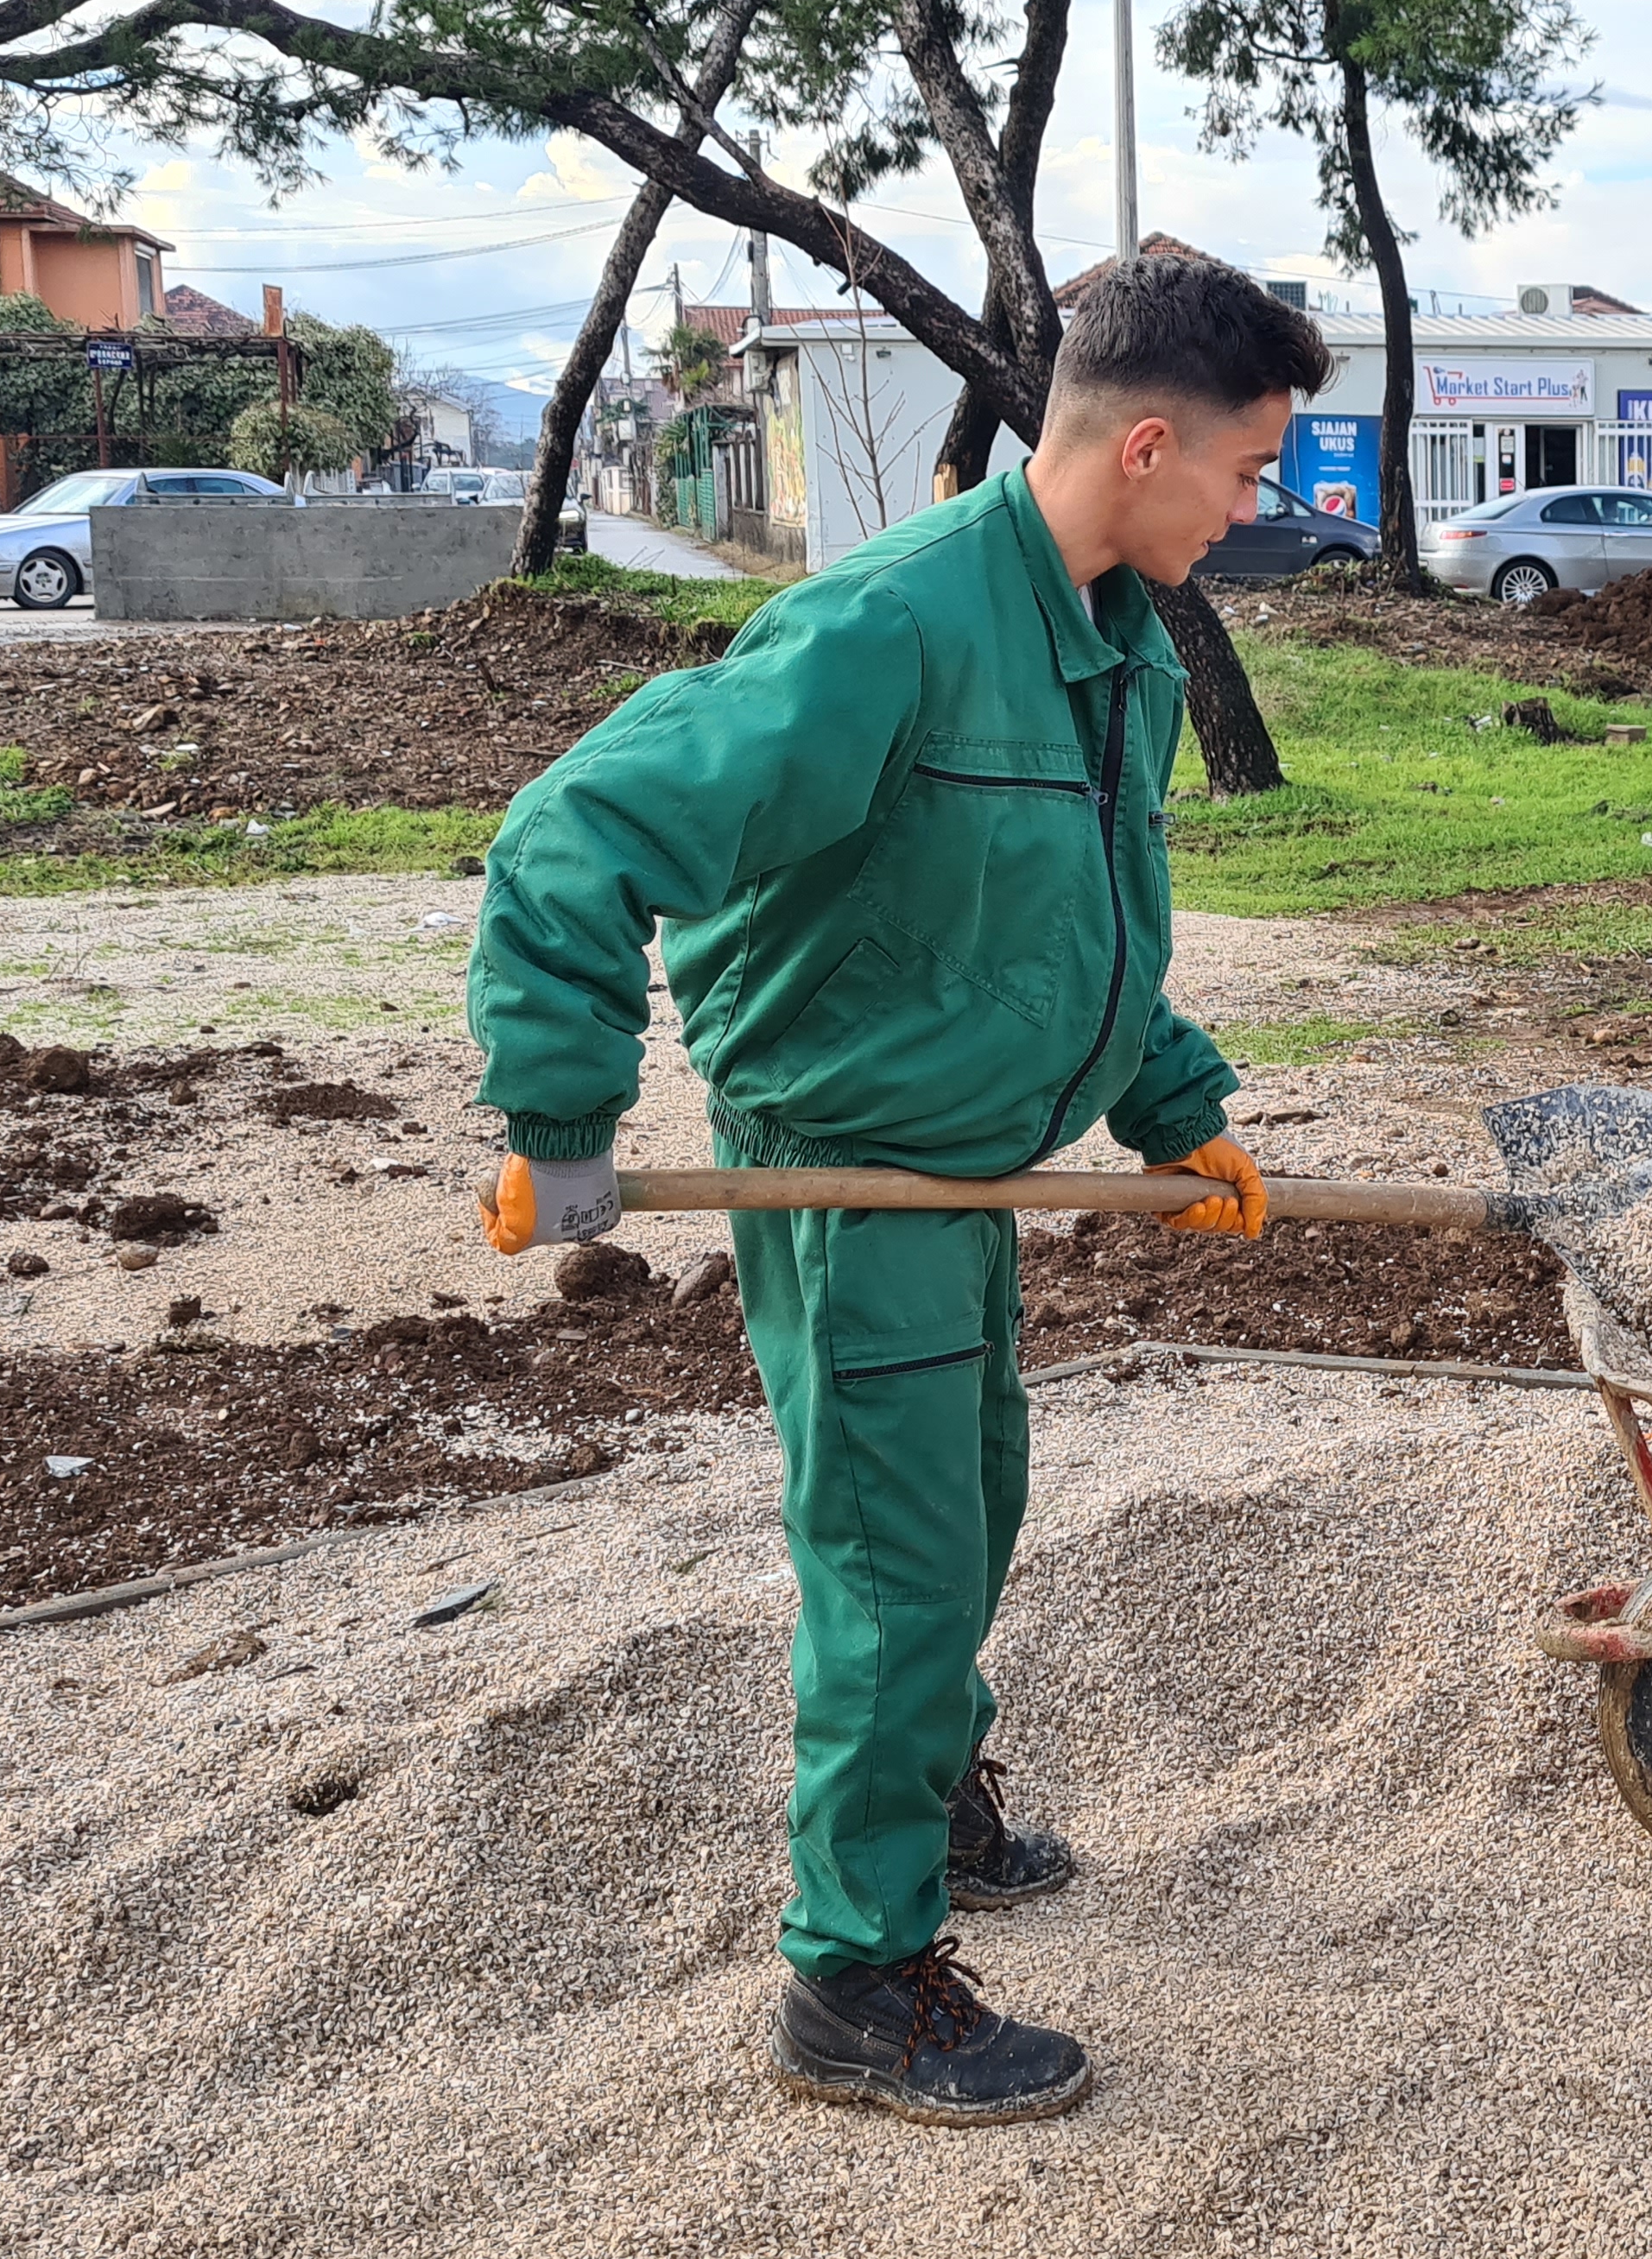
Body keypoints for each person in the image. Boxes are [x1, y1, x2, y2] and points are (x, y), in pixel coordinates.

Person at [466, 254, 1331, 2120]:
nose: (1259, 511)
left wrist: (1177, 1107)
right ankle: (852, 1979)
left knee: (977, 1492)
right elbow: (578, 834)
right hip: (850, 1178)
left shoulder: (1110, 644)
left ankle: (928, 1789)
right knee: (896, 1556)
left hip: (966, 1174)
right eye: (1251, 474)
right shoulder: (895, 627)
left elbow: (1078, 928)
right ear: (1153, 442)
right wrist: (561, 1117)